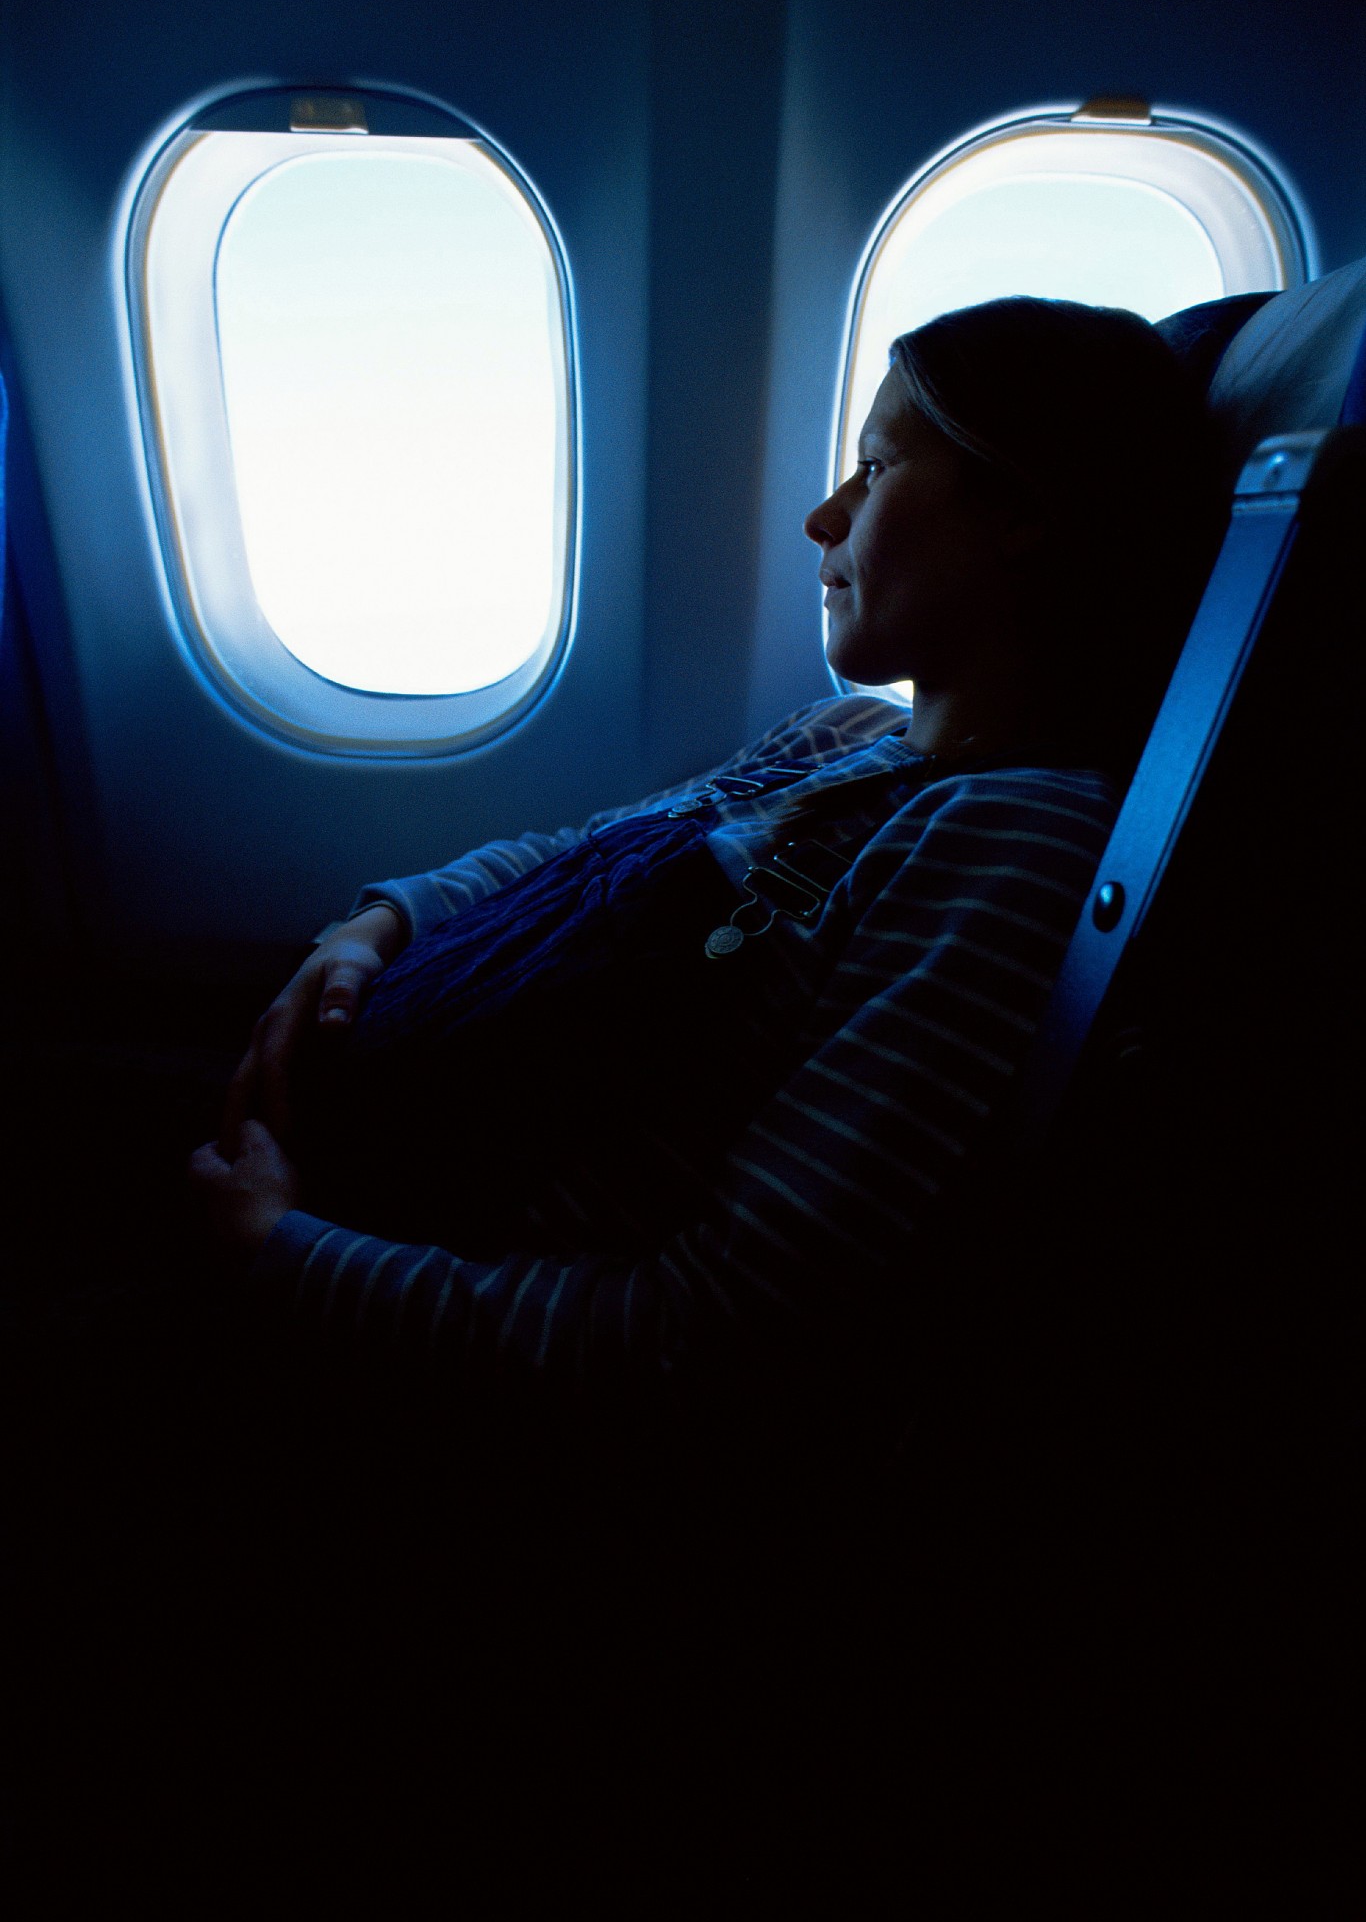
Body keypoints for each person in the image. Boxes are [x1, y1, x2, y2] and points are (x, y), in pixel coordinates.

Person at [187, 295, 1226, 1521]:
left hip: (423, 1324)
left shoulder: (1007, 837)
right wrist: (374, 929)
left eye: (877, 467)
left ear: (1021, 513)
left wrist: (282, 1254)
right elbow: (574, 852)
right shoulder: (841, 737)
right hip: (351, 1166)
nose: (822, 516)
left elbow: (711, 1332)